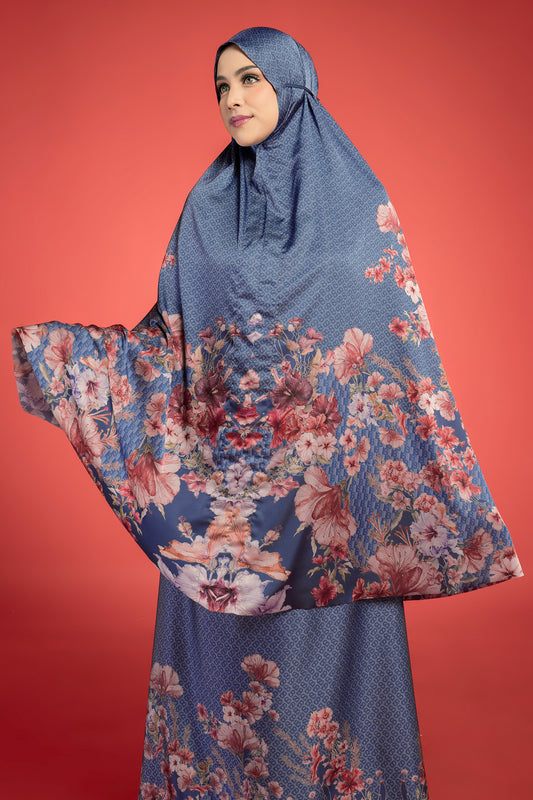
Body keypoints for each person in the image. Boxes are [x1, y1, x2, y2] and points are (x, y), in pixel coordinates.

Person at [12, 27, 522, 800]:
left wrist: (322, 461)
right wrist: (67, 358)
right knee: (220, 678)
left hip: (321, 509)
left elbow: (380, 349)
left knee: (319, 699)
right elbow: (173, 340)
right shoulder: (205, 207)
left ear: (292, 86)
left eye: (249, 79)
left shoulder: (355, 209)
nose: (233, 99)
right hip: (217, 502)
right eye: (221, 85)